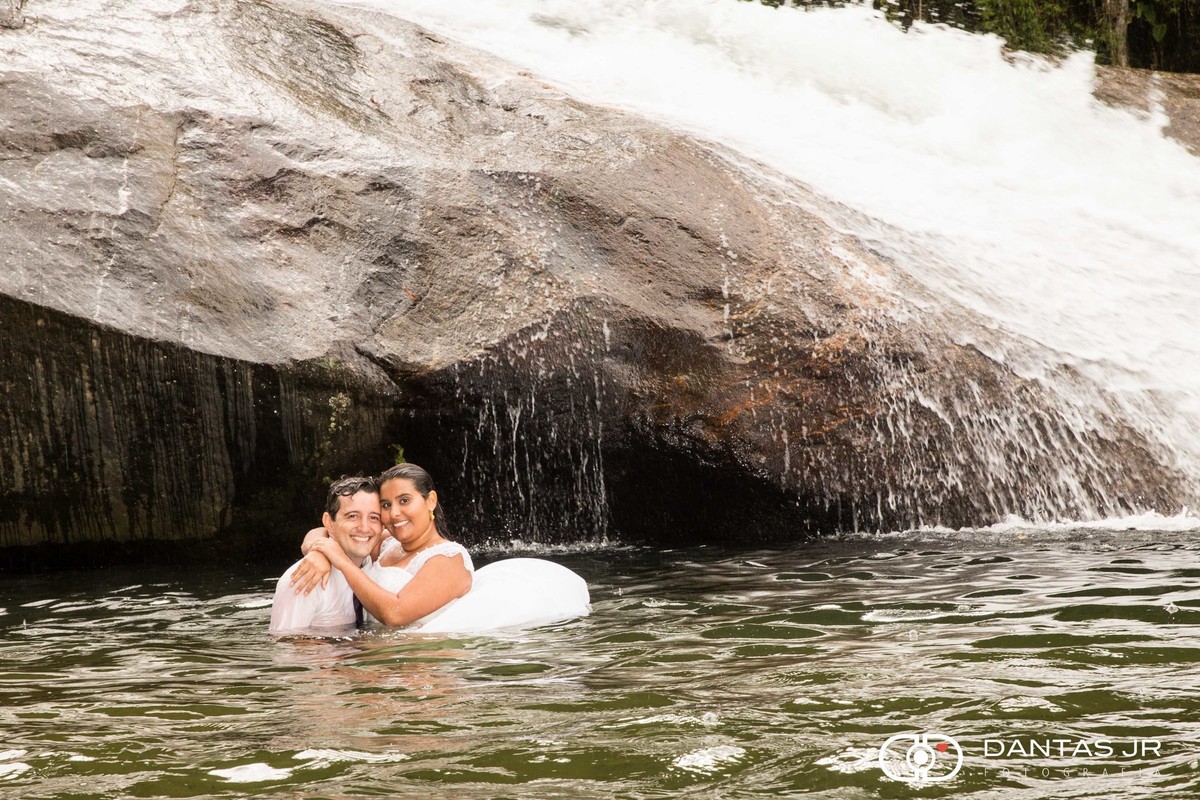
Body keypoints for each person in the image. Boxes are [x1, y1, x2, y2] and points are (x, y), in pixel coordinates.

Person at [303, 463, 474, 628]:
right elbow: (325, 530)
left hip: (419, 655)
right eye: (386, 505)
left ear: (431, 500)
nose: (394, 513)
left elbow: (395, 614)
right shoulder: (387, 543)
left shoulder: (450, 559)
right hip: (368, 649)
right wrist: (318, 553)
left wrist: (341, 561)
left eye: (404, 500)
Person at [268, 476, 383, 633]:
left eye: (374, 518)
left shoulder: (374, 562)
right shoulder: (305, 577)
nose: (364, 527)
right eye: (352, 516)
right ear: (329, 522)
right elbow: (286, 645)